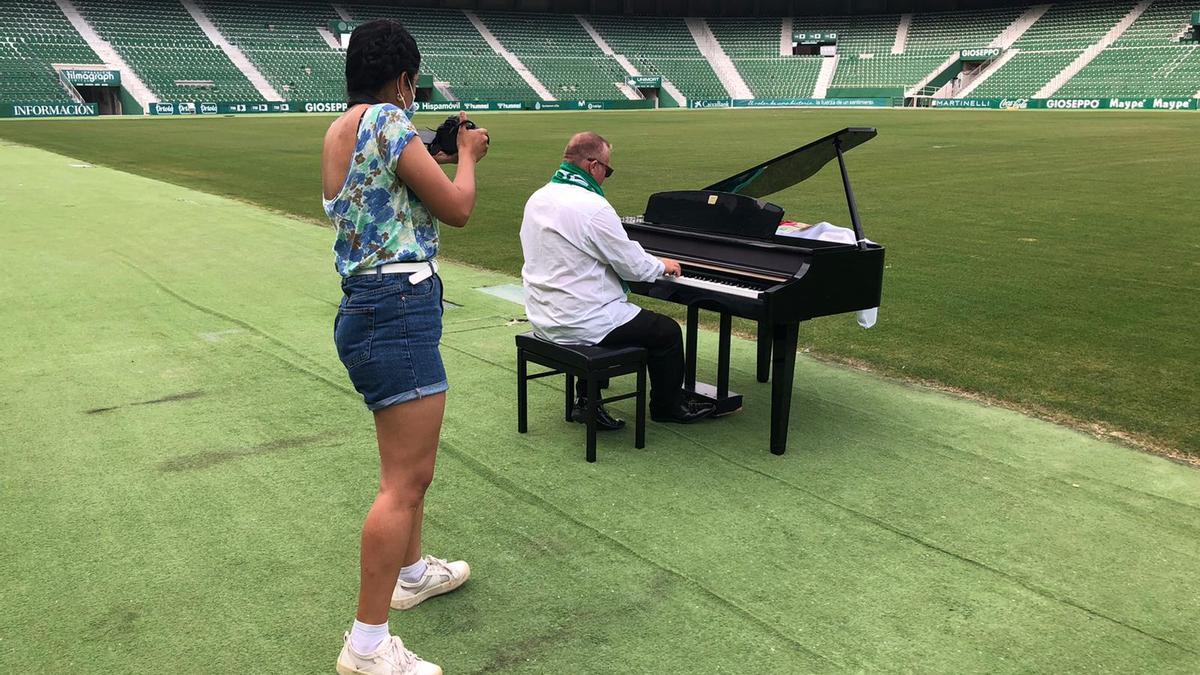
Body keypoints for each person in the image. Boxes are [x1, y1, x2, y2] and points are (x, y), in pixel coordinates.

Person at [321, 19, 490, 675]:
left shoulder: (345, 129)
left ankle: (414, 573)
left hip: (367, 307)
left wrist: (437, 150)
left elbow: (389, 186)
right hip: (398, 308)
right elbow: (457, 207)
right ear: (405, 79)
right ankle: (366, 644)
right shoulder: (391, 124)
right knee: (404, 480)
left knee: (407, 467)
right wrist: (467, 157)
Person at [520, 132, 716, 427]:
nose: (605, 177)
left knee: (622, 316)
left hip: (543, 314)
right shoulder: (592, 206)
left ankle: (586, 401)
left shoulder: (538, 197)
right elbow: (633, 267)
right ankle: (668, 407)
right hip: (581, 318)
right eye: (607, 170)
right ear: (592, 166)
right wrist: (663, 265)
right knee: (667, 332)